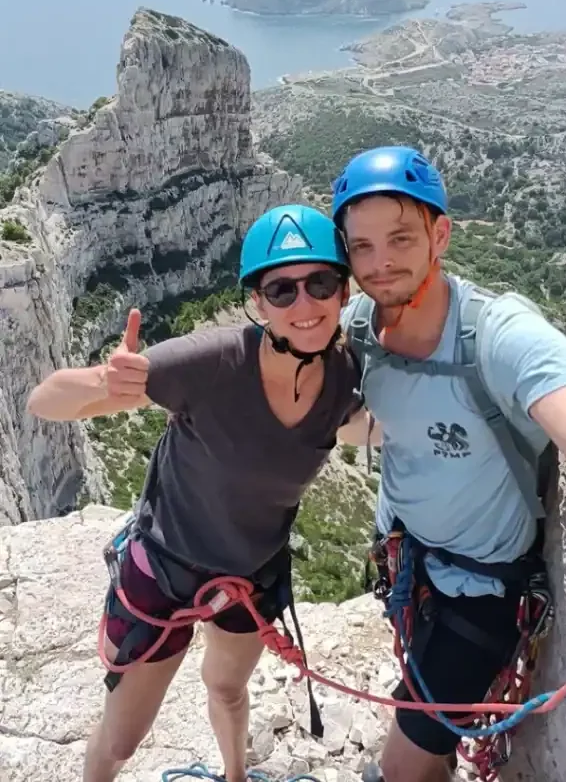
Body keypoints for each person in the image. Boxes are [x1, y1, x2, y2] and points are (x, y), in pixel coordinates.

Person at [27, 203, 363, 782]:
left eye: (321, 283)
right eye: (281, 290)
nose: (304, 305)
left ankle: (235, 776)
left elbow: (383, 427)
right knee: (124, 737)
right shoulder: (208, 363)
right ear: (257, 303)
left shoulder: (345, 377)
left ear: (343, 291)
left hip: (251, 575)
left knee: (228, 691)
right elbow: (44, 402)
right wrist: (103, 383)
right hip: (163, 569)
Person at [331, 146, 566, 782]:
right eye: (360, 247)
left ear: (440, 234)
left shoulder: (499, 335)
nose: (380, 264)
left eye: (400, 238)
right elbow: (365, 423)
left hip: (482, 596)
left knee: (402, 768)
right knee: (425, 737)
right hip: (411, 567)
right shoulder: (362, 326)